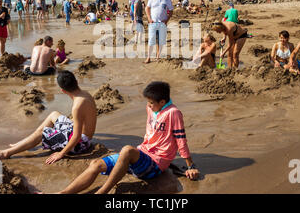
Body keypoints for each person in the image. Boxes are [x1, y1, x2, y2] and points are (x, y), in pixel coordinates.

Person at [52, 81, 199, 194]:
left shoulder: (173, 113)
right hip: (142, 155)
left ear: (162, 102)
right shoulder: (151, 108)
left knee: (128, 150)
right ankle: (63, 192)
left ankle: (102, 192)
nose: (148, 105)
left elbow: (181, 140)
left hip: (155, 164)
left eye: (151, 103)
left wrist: (190, 165)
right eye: (148, 102)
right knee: (96, 164)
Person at [0, 71, 97, 162]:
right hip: (81, 135)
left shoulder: (77, 106)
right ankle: (25, 142)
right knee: (53, 114)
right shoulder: (85, 94)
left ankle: (6, 153)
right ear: (76, 82)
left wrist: (61, 153)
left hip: (81, 144)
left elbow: (76, 136)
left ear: (63, 90)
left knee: (43, 132)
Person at [145, 0, 173, 64]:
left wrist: (167, 20)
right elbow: (147, 8)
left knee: (161, 41)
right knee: (151, 40)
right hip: (153, 22)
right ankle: (148, 57)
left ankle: (158, 56)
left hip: (162, 23)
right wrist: (149, 18)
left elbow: (171, 11)